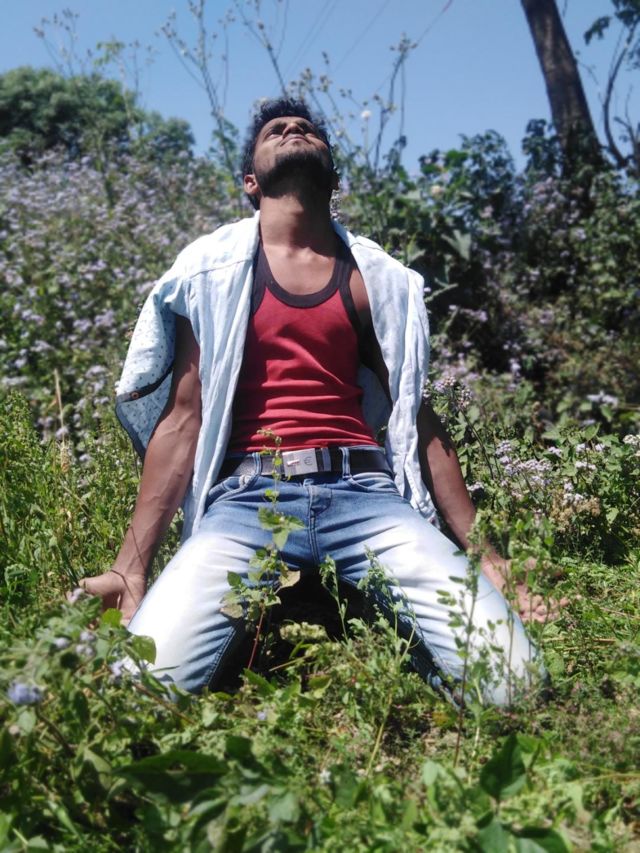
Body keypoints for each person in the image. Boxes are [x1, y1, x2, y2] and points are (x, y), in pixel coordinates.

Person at [81, 97, 547, 704]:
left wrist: (487, 556)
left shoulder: (375, 278)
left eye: (306, 128)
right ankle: (302, 613)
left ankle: (389, 632)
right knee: (140, 689)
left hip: (366, 497)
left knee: (516, 685)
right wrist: (130, 567)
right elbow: (182, 421)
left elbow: (414, 419)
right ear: (250, 181)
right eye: (274, 130)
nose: (293, 128)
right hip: (248, 502)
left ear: (333, 175)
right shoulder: (211, 272)